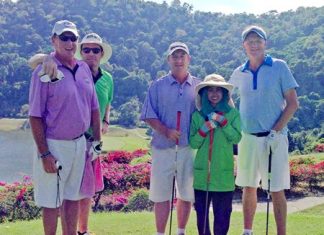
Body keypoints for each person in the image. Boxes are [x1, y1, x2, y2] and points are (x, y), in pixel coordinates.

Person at [29, 32, 114, 235]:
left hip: (81, 145)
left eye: (72, 39)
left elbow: (96, 108)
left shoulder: (84, 69)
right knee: (51, 201)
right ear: (54, 40)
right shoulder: (45, 70)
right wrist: (45, 153)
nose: (69, 43)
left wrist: (97, 142)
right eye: (64, 38)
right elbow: (35, 115)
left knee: (74, 197)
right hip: (55, 144)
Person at [229, 25, 299, 235]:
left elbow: (293, 103)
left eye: (258, 41)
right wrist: (236, 121)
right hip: (247, 138)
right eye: (250, 41)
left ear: (265, 43)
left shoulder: (279, 67)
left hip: (274, 138)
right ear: (244, 45)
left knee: (276, 188)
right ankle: (247, 231)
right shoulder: (238, 72)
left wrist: (275, 131)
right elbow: (227, 96)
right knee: (248, 186)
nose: (254, 45)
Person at [140, 42, 200, 235]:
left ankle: (181, 231)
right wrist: (165, 130)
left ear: (188, 59)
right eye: (175, 56)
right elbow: (149, 114)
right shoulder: (157, 86)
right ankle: (160, 233)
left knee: (186, 193)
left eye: (182, 56)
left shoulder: (199, 87)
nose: (179, 59)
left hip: (188, 148)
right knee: (161, 195)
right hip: (162, 147)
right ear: (168, 59)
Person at [189, 74, 241, 235]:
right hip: (202, 177)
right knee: (202, 220)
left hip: (223, 177)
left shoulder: (232, 114)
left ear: (225, 94)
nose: (214, 93)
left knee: (223, 218)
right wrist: (204, 129)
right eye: (210, 90)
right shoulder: (198, 116)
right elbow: (193, 143)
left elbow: (237, 137)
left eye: (219, 90)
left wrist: (224, 123)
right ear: (204, 93)